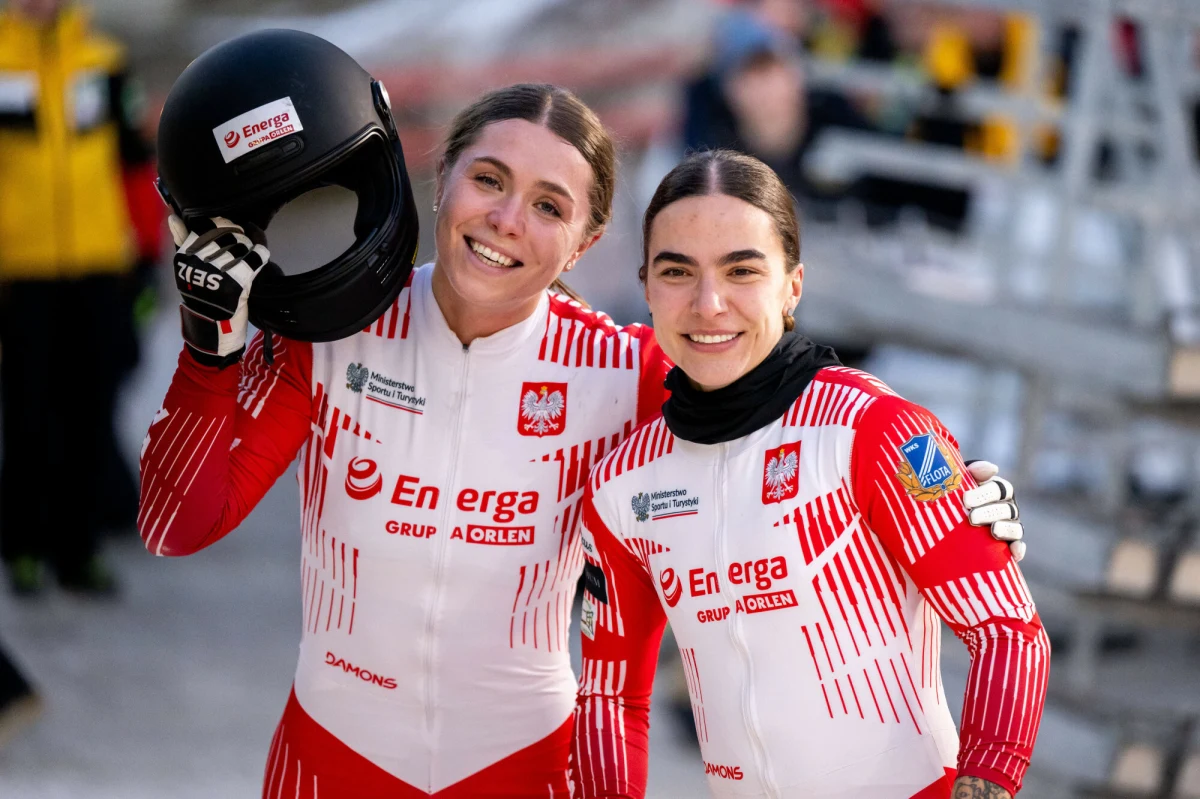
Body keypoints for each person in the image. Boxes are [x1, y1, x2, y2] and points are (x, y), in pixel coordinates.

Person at [141, 84, 1024, 797]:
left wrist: (953, 489)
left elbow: (770, 403)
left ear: (585, 242)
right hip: (332, 757)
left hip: (525, 763)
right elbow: (174, 523)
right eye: (488, 180)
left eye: (549, 205)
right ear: (441, 177)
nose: (505, 220)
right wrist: (208, 355)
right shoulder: (329, 328)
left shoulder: (624, 371)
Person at [571, 150, 1047, 798]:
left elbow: (1006, 631)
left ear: (792, 284)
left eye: (741, 269)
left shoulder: (875, 429)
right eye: (678, 271)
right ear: (647, 286)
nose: (709, 303)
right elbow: (609, 698)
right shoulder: (623, 483)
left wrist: (986, 780)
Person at [0, 0, 162, 596]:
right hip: (20, 277)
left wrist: (146, 256)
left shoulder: (106, 62)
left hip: (100, 270)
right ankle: (21, 548)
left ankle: (80, 551)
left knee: (90, 413)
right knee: (26, 416)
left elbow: (135, 164)